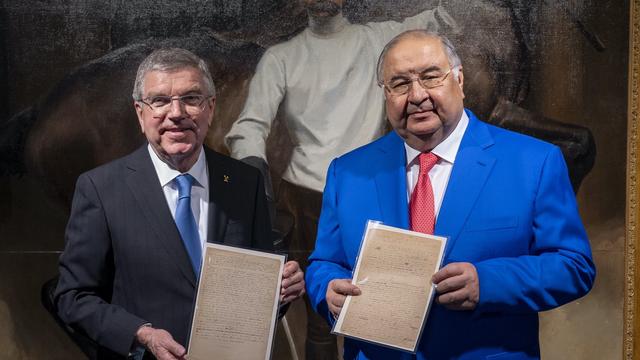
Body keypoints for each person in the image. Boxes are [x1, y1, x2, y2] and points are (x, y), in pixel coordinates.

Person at [305, 30, 596, 359]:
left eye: (430, 77)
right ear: (385, 94)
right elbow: (324, 263)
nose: (417, 95)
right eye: (400, 84)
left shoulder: (534, 162)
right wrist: (327, 290)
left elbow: (573, 266)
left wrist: (488, 283)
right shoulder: (347, 172)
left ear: (459, 79)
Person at [224, 1, 455, 357]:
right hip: (305, 200)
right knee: (324, 317)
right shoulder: (282, 57)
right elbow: (250, 126)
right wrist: (256, 179)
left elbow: (441, 16)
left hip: (372, 187)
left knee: (397, 304)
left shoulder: (379, 39)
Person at [54, 48, 305, 360]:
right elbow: (72, 297)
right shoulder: (100, 189)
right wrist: (140, 334)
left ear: (211, 108)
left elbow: (258, 297)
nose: (177, 113)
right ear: (139, 112)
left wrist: (281, 291)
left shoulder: (244, 182)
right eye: (159, 101)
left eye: (191, 98)